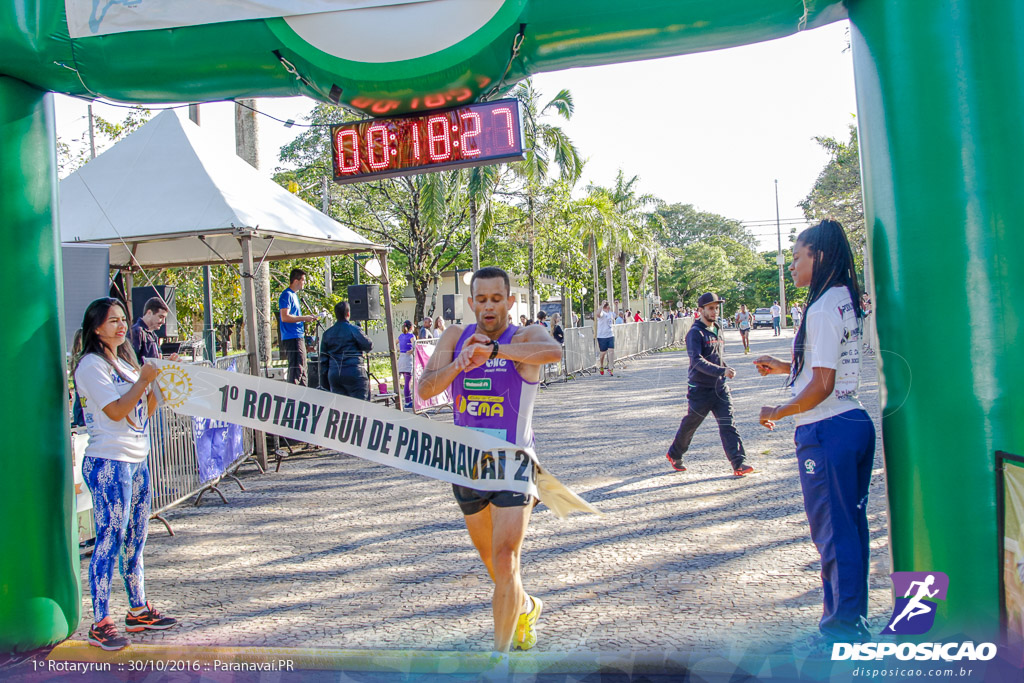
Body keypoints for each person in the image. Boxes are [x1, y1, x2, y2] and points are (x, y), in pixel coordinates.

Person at [417, 266, 562, 665]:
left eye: (497, 299)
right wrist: (461, 362)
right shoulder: (454, 337)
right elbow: (425, 389)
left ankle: (500, 661)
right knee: (495, 567)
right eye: (481, 300)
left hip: (514, 465)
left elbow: (553, 353)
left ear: (510, 302)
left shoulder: (524, 335)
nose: (488, 307)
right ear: (472, 303)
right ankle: (527, 605)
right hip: (467, 467)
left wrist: (496, 351)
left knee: (505, 558)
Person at [754, 219, 875, 649]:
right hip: (853, 421)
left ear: (818, 257)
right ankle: (851, 617)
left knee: (832, 530)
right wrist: (788, 368)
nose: (791, 267)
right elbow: (828, 369)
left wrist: (779, 410)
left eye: (797, 258)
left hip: (826, 429)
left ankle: (841, 627)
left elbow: (822, 385)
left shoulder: (822, 308)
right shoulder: (843, 300)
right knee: (851, 527)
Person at [72, 298, 178, 651]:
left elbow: (141, 411)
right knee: (110, 538)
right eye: (112, 321)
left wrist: (159, 384)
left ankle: (138, 608)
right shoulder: (91, 365)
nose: (120, 326)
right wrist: (145, 379)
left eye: (122, 319)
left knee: (136, 537)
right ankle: (100, 620)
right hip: (108, 462)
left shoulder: (124, 362)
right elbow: (117, 411)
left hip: (137, 458)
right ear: (96, 327)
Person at [665, 292, 753, 477]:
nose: (715, 312)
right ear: (701, 310)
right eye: (711, 308)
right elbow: (696, 361)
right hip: (700, 390)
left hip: (720, 388)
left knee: (728, 424)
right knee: (691, 424)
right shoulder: (695, 333)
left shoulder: (718, 329)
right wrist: (722, 371)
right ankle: (675, 454)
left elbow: (717, 358)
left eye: (716, 308)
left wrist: (726, 368)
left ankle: (739, 463)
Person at [319, 301, 374, 400]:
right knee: (361, 407)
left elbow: (323, 360)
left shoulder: (327, 334)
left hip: (335, 374)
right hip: (354, 372)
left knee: (341, 407)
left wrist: (324, 382)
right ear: (348, 314)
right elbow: (368, 345)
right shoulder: (354, 329)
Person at [279, 268, 318, 386]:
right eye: (303, 280)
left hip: (298, 335)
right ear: (296, 281)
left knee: (302, 367)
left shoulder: (295, 296)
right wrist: (303, 318)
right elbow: (284, 317)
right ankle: (292, 392)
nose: (304, 283)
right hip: (292, 336)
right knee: (297, 367)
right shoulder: (286, 295)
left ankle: (303, 391)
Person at [129, 297, 179, 364]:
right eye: (160, 317)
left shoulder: (153, 335)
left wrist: (168, 362)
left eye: (164, 318)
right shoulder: (136, 332)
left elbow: (157, 362)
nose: (163, 322)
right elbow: (131, 361)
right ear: (149, 313)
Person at [397, 320, 415, 409]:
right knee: (408, 381)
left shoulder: (400, 336)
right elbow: (415, 345)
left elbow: (394, 343)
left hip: (401, 358)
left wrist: (398, 349)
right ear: (411, 327)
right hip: (408, 359)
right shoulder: (411, 336)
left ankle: (406, 400)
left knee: (405, 380)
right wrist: (411, 351)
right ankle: (408, 401)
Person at [596, 300, 616, 376]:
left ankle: (610, 368)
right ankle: (601, 365)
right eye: (606, 306)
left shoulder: (610, 313)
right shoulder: (602, 313)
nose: (608, 307)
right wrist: (601, 305)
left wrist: (616, 305)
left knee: (611, 351)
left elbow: (616, 314)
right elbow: (598, 314)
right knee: (603, 353)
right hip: (602, 336)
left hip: (610, 335)